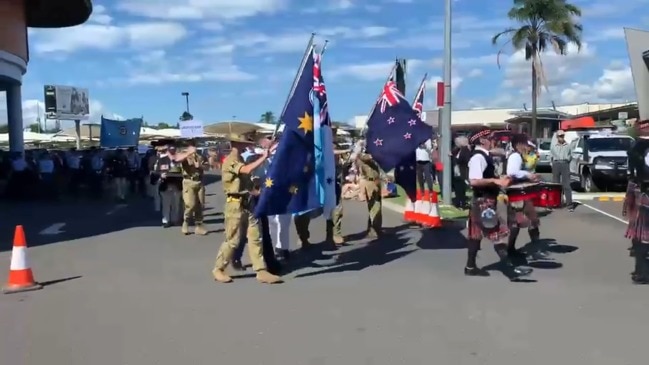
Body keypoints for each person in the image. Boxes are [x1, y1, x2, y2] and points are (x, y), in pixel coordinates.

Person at [212, 134, 281, 284]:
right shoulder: (230, 160)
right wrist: (264, 157)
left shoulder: (240, 159)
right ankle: (218, 268)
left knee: (256, 237)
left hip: (247, 203)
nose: (245, 144)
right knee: (233, 240)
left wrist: (259, 192)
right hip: (234, 205)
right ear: (234, 143)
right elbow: (246, 170)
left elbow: (247, 183)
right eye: (242, 142)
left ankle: (261, 270)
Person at [465, 128, 533, 280]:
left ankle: (470, 267)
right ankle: (510, 270)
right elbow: (474, 180)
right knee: (496, 234)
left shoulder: (485, 156)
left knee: (475, 235)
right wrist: (496, 181)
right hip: (484, 202)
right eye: (491, 138)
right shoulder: (478, 157)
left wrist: (499, 179)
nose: (494, 140)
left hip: (482, 200)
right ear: (482, 140)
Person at [505, 134, 545, 259]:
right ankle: (533, 249)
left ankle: (511, 249)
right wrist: (528, 175)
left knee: (518, 223)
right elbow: (512, 172)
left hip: (520, 192)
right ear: (518, 145)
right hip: (518, 192)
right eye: (524, 144)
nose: (526, 147)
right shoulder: (515, 156)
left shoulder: (518, 155)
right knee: (531, 220)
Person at [624, 120, 649, 284]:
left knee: (642, 238)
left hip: (645, 192)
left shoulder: (638, 147)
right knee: (640, 238)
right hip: (642, 190)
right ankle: (641, 271)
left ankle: (643, 273)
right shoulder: (638, 147)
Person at [176, 140, 208, 235]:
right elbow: (177, 160)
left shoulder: (200, 156)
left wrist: (201, 166)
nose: (193, 148)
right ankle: (185, 221)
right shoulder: (184, 156)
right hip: (188, 181)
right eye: (191, 146)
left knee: (200, 205)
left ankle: (199, 226)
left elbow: (208, 167)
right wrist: (188, 153)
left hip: (199, 181)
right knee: (190, 204)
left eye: (194, 146)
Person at [354, 145, 382, 238]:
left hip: (376, 181)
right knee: (373, 207)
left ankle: (376, 229)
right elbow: (366, 157)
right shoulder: (362, 155)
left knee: (377, 206)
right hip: (368, 182)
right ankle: (372, 230)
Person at [154, 142, 183, 228]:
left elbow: (184, 172)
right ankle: (166, 220)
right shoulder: (162, 160)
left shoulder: (180, 160)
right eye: (170, 150)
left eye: (173, 150)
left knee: (176, 204)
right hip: (166, 185)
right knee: (166, 204)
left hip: (177, 185)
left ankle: (175, 220)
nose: (172, 151)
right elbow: (156, 172)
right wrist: (160, 175)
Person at [550, 130, 575, 211]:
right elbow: (551, 155)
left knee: (566, 185)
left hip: (565, 164)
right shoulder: (554, 145)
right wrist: (552, 163)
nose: (561, 138)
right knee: (555, 185)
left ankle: (569, 205)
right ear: (557, 137)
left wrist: (567, 160)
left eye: (562, 136)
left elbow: (571, 155)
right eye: (560, 136)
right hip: (556, 163)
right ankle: (555, 203)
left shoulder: (568, 145)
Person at [451, 135, 471, 209]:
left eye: (457, 142)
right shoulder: (458, 150)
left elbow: (466, 160)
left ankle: (462, 203)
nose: (456, 144)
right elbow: (453, 153)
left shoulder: (465, 150)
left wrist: (457, 160)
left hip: (462, 172)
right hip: (457, 172)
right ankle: (459, 202)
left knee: (461, 189)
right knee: (457, 189)